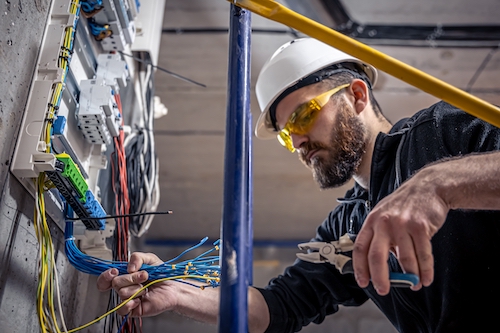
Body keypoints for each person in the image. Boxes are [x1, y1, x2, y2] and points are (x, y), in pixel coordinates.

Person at [97, 38, 500, 332]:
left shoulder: (440, 134)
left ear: (357, 95)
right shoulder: (346, 227)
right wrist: (177, 292)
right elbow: (276, 308)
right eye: (288, 135)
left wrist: (437, 183)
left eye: (304, 117)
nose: (298, 143)